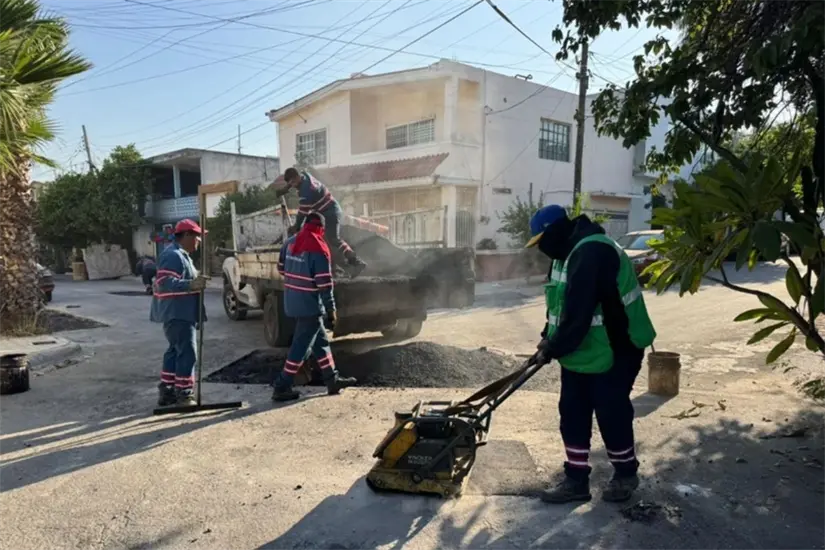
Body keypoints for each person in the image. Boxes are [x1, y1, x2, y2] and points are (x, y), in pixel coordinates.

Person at [525, 205, 656, 504]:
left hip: (617, 346)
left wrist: (554, 349)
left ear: (556, 231)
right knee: (571, 412)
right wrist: (548, 338)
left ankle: (625, 474)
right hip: (580, 350)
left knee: (611, 411)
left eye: (542, 240)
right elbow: (559, 307)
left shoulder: (592, 252)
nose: (542, 249)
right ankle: (576, 481)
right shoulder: (564, 255)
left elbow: (580, 315)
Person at [272, 211, 357, 402]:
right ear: (321, 228)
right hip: (309, 306)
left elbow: (281, 269)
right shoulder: (319, 248)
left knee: (321, 343)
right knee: (300, 348)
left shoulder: (290, 242)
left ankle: (331, 379)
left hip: (292, 301)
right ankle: (281, 386)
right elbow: (325, 285)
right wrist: (332, 310)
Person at [150, 219, 210, 407]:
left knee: (175, 351)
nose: (199, 241)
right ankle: (184, 393)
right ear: (186, 236)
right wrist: (191, 284)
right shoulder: (173, 255)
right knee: (187, 352)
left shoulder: (181, 255)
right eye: (197, 237)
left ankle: (167, 390)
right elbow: (165, 282)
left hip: (179, 312)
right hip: (177, 312)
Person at [276, 167, 367, 275]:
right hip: (326, 211)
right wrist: (285, 189)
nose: (293, 185)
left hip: (331, 212)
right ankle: (333, 267)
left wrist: (296, 226)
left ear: (296, 177)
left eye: (293, 183)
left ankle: (356, 262)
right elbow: (294, 182)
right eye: (291, 183)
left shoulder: (306, 190)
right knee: (320, 236)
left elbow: (302, 213)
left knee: (333, 239)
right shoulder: (304, 175)